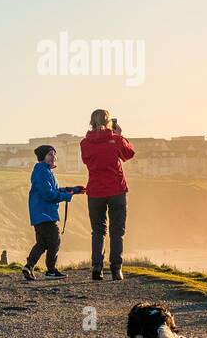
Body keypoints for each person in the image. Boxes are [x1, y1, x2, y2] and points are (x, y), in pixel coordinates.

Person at [80, 109, 135, 281]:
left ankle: (97, 267)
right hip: (116, 190)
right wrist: (120, 135)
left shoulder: (85, 143)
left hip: (95, 191)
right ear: (109, 121)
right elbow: (129, 154)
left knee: (98, 230)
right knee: (117, 231)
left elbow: (87, 161)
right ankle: (116, 269)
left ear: (92, 122)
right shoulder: (116, 139)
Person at [22, 145, 84, 281]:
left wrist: (73, 190)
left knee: (42, 244)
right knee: (55, 241)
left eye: (54, 154)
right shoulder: (42, 172)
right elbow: (49, 195)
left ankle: (28, 267)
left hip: (40, 214)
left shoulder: (45, 171)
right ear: (42, 157)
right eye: (50, 154)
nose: (53, 157)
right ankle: (51, 271)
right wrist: (68, 195)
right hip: (45, 214)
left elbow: (55, 190)